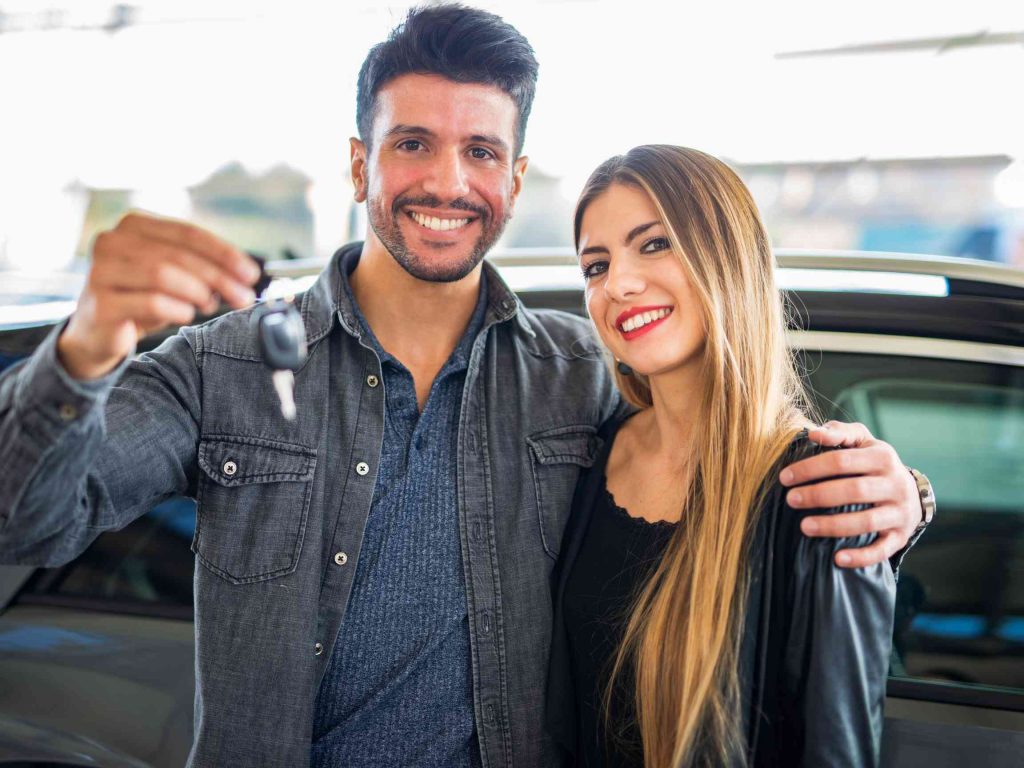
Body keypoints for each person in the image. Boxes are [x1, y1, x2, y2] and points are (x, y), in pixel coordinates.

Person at [0, 5, 928, 767]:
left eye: (481, 151)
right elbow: (27, 518)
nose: (448, 180)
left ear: (515, 180)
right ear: (360, 161)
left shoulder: (580, 376)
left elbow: (722, 458)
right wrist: (86, 344)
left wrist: (898, 495)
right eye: (413, 143)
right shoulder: (223, 367)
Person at [546, 145, 897, 767]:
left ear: (726, 259)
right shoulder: (584, 455)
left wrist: (914, 498)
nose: (617, 283)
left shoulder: (820, 492)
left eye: (653, 244)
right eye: (595, 265)